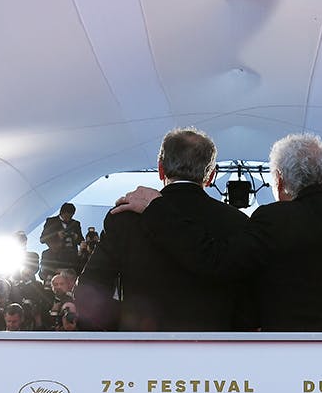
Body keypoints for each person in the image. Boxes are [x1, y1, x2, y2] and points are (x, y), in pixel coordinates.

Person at [113, 132, 322, 331]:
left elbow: (212, 260)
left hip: (282, 351)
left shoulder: (272, 219)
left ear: (279, 180)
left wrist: (157, 209)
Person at [77, 127, 254, 331]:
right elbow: (247, 301)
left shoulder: (124, 217)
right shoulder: (237, 222)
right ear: (211, 175)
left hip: (140, 349)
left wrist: (124, 326)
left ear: (160, 169)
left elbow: (89, 291)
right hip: (213, 352)